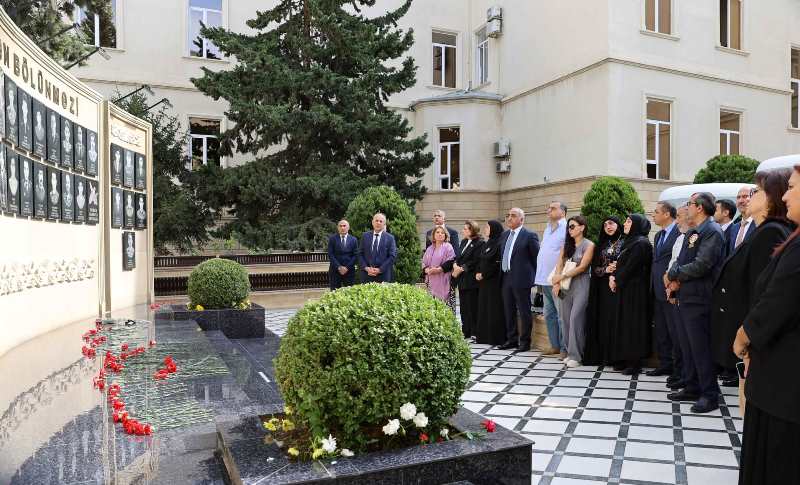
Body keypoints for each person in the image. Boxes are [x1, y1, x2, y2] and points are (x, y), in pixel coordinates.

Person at [734, 164, 800, 485]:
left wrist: (743, 336)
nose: (786, 196)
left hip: (783, 384)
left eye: (793, 188)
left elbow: (775, 300)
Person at [712, 169, 795, 388]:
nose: (749, 197)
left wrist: (748, 337)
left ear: (771, 197)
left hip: (755, 340)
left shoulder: (770, 233)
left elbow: (763, 294)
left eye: (756, 191)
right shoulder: (763, 231)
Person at [666, 192, 725, 413]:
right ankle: (692, 386)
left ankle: (709, 394)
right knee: (689, 347)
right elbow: (680, 261)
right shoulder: (693, 231)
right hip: (686, 295)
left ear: (699, 207)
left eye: (689, 204)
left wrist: (675, 275)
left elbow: (702, 265)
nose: (686, 207)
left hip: (701, 298)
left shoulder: (712, 231)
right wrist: (674, 275)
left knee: (701, 349)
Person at [609, 214, 653, 375]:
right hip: (626, 288)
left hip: (636, 291)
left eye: (629, 221)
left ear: (637, 225)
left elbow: (631, 267)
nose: (625, 224)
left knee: (634, 325)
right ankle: (624, 358)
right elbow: (622, 264)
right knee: (625, 323)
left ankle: (635, 362)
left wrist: (616, 279)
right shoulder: (630, 241)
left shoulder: (641, 243)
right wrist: (613, 276)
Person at [552, 216, 594, 367]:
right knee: (565, 319)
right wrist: (557, 283)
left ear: (582, 227)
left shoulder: (589, 245)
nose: (569, 230)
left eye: (572, 226)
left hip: (581, 284)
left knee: (576, 318)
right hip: (564, 286)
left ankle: (576, 356)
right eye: (568, 227)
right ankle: (570, 353)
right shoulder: (566, 246)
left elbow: (582, 267)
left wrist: (562, 276)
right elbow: (559, 264)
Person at [498, 208, 540, 352]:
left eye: (513, 216)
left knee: (524, 311)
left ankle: (525, 342)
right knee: (508, 310)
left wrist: (534, 277)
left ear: (521, 219)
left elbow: (536, 258)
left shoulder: (529, 235)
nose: (509, 218)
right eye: (508, 215)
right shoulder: (504, 235)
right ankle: (512, 339)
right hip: (506, 277)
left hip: (522, 279)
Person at [583, 216, 623, 366]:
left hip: (620, 287)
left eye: (611, 223)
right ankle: (604, 356)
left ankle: (617, 356)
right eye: (605, 225)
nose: (608, 227)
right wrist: (606, 270)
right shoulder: (602, 244)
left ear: (618, 225)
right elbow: (595, 268)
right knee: (605, 320)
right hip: (603, 288)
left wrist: (618, 268)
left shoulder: (626, 242)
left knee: (617, 320)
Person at [649, 201, 681, 378]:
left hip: (671, 289)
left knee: (674, 330)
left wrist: (673, 284)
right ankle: (665, 363)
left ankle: (678, 367)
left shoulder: (679, 232)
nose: (653, 215)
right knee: (661, 330)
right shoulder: (658, 235)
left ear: (667, 214)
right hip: (657, 288)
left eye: (656, 212)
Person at [534, 201, 567, 356]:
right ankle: (555, 346)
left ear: (563, 212)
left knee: (561, 315)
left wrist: (559, 276)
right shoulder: (548, 228)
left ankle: (564, 348)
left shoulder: (566, 228)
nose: (549, 210)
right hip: (544, 279)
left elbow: (566, 254)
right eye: (549, 208)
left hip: (557, 280)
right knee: (549, 314)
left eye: (553, 208)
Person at [449, 220, 484, 338]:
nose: (463, 230)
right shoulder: (464, 241)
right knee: (463, 307)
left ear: (472, 230)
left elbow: (476, 260)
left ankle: (474, 331)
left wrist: (462, 268)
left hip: (471, 280)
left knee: (472, 306)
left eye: (465, 229)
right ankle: (466, 330)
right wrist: (455, 265)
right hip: (462, 280)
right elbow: (458, 256)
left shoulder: (480, 243)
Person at [474, 220, 507, 345]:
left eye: (487, 227)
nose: (485, 229)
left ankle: (495, 337)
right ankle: (484, 336)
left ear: (494, 229)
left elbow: (496, 264)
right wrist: (478, 272)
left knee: (493, 309)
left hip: (493, 282)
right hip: (484, 283)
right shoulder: (487, 243)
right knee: (484, 308)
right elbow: (481, 260)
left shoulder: (499, 243)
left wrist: (484, 274)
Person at [422, 226, 456, 310]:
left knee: (445, 309)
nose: (440, 234)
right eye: (437, 232)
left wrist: (438, 270)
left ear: (445, 235)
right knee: (432, 308)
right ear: (433, 235)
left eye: (442, 233)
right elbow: (424, 263)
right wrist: (426, 269)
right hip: (431, 282)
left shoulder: (448, 246)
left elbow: (450, 262)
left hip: (444, 281)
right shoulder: (429, 248)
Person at [359, 213, 397, 283]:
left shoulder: (390, 238)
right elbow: (360, 254)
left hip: (383, 276)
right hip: (366, 275)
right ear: (372, 222)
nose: (378, 223)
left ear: (384, 224)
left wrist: (380, 270)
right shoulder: (365, 236)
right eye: (376, 221)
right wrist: (366, 268)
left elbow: (392, 256)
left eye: (381, 221)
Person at [327, 219, 358, 290]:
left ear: (348, 227)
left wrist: (347, 268)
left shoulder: (354, 240)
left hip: (349, 271)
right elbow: (330, 254)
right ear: (338, 228)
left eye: (344, 226)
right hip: (335, 270)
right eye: (340, 226)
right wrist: (339, 267)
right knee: (334, 292)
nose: (342, 228)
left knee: (350, 292)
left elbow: (355, 255)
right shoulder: (332, 239)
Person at [730, 185, 756, 252]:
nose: (740, 201)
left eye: (745, 196)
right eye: (738, 197)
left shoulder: (760, 225)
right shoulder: (734, 228)